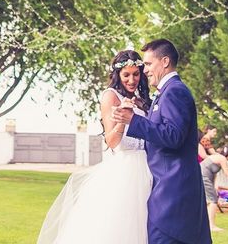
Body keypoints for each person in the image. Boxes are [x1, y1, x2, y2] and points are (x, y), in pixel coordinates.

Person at [36, 50, 153, 244]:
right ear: (118, 75)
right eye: (126, 75)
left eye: (135, 74)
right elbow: (112, 141)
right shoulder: (110, 96)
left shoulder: (142, 100)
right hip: (126, 171)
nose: (131, 80)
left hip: (148, 167)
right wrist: (124, 117)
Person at [113, 38, 211, 244]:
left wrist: (134, 120)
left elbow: (174, 136)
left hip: (173, 193)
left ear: (165, 61)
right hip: (168, 191)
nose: (145, 70)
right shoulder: (165, 93)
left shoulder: (175, 91)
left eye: (148, 64)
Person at [201, 145, 228, 232]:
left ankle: (207, 225)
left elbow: (213, 172)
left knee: (210, 201)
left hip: (205, 177)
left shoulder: (219, 157)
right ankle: (211, 226)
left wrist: (215, 187)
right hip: (203, 177)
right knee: (213, 201)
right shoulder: (222, 159)